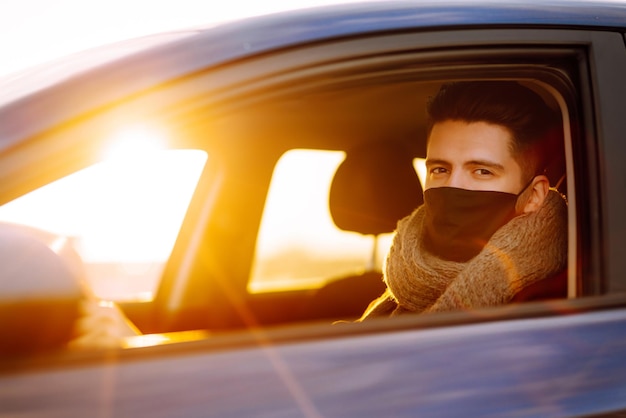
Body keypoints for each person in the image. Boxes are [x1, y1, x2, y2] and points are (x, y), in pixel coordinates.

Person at [360, 81, 568, 319]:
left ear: (534, 195)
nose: (452, 185)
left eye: (482, 171)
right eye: (439, 169)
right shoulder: (396, 293)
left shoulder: (550, 307)